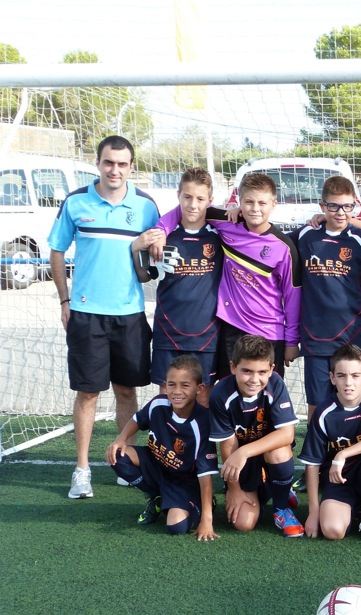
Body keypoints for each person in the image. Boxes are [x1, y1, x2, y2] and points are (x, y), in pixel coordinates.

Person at [48, 135, 161, 500]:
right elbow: (56, 250)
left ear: (131, 167)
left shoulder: (146, 207)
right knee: (88, 392)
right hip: (86, 314)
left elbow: (151, 262)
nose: (115, 170)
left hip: (129, 314)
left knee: (127, 390)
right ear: (97, 163)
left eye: (122, 164)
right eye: (108, 162)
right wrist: (65, 299)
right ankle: (81, 470)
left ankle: (125, 462)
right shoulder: (76, 201)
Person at [154, 172, 301, 378]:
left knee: (265, 392)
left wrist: (292, 341)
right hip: (231, 328)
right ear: (239, 202)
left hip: (269, 333)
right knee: (228, 391)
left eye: (262, 203)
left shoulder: (284, 247)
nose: (255, 208)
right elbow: (187, 207)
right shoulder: (228, 223)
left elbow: (293, 297)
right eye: (248, 202)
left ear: (274, 204)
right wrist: (161, 230)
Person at [135, 168, 222, 408]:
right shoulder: (162, 235)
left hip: (207, 333)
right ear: (178, 196)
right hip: (168, 331)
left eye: (200, 198)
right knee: (168, 396)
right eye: (187, 197)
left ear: (210, 200)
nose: (193, 204)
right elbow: (145, 276)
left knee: (202, 397)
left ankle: (201, 437)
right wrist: (138, 248)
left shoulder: (220, 235)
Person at [106, 355, 219, 540]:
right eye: (172, 385)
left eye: (185, 385)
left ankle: (198, 502)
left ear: (199, 389)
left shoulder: (203, 423)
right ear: (165, 385)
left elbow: (205, 473)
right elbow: (138, 419)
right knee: (116, 454)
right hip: (156, 466)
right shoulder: (158, 403)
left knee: (177, 527)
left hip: (184, 481)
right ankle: (156, 495)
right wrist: (121, 439)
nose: (177, 391)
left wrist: (207, 519)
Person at [289, 175, 361, 418]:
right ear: (322, 206)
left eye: (347, 206)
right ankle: (318, 444)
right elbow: (269, 237)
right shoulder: (306, 235)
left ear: (355, 206)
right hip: (317, 338)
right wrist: (235, 213)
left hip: (355, 335)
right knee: (318, 406)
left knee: (356, 403)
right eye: (333, 206)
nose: (341, 212)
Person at [209, 334, 304, 537]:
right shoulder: (220, 394)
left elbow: (286, 434)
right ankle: (273, 488)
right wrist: (234, 490)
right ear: (233, 367)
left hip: (265, 452)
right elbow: (228, 446)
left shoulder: (275, 384)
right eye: (247, 371)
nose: (254, 379)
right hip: (242, 460)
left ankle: (281, 507)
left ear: (271, 369)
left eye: (262, 372)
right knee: (243, 523)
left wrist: (244, 451)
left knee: (278, 452)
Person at [298, 344, 361, 542]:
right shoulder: (324, 412)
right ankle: (354, 510)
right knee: (332, 530)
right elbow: (312, 463)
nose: (348, 382)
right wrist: (314, 512)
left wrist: (342, 454)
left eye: (355, 375)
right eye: (341, 375)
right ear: (332, 378)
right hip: (339, 479)